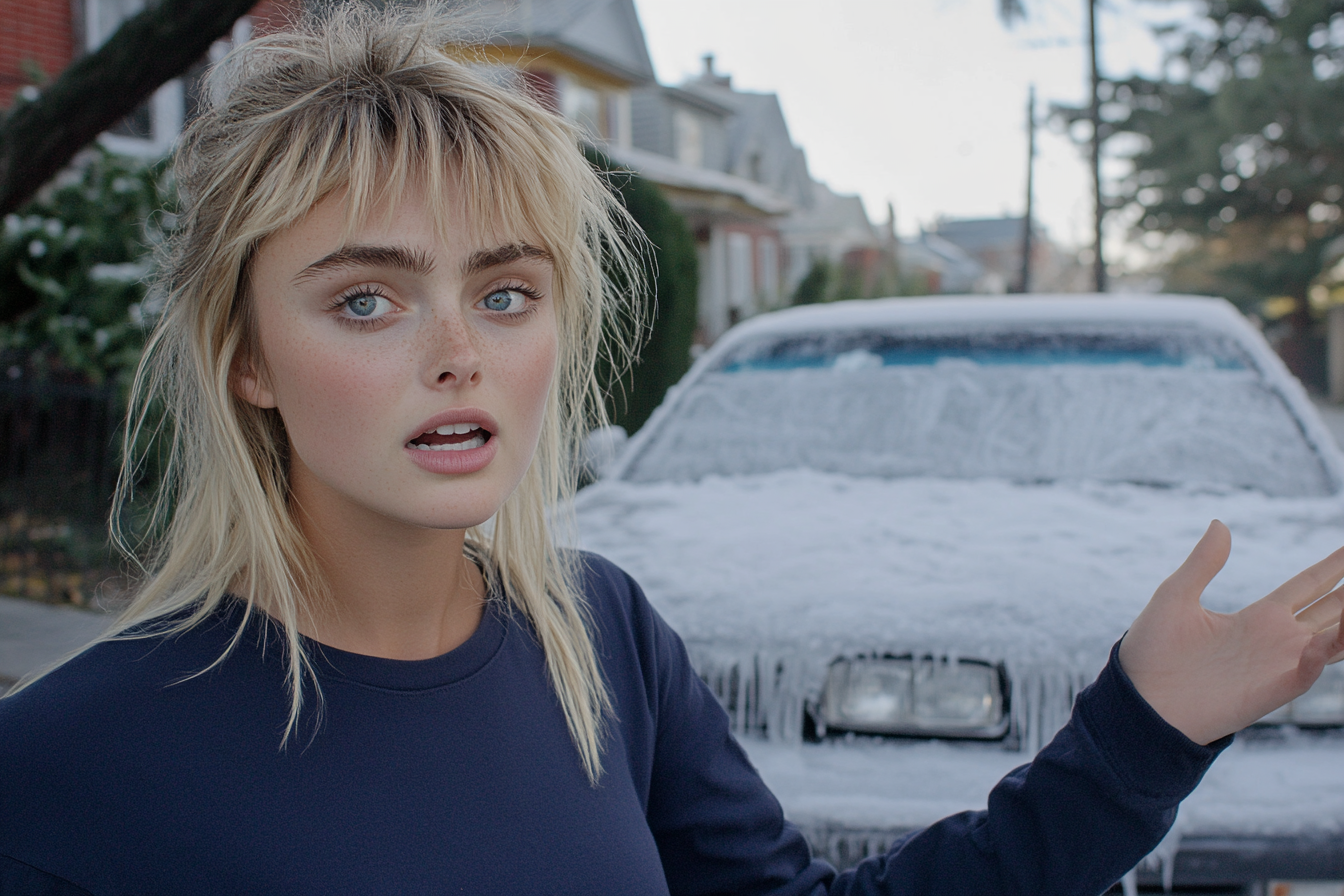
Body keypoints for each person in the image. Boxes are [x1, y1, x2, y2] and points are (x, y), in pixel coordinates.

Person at [2, 5, 1343, 894]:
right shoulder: (65, 763)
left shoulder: (599, 636)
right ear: (245, 354)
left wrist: (1145, 732)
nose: (457, 349)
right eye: (368, 298)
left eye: (506, 293)